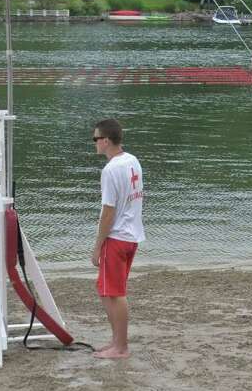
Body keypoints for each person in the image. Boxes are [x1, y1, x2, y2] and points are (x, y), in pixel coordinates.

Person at [90, 118, 144, 359]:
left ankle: (121, 347)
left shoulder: (110, 170)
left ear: (106, 141)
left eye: (96, 139)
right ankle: (116, 341)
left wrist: (97, 245)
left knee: (115, 292)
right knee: (104, 288)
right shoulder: (132, 161)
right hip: (131, 235)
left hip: (117, 237)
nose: (94, 143)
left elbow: (108, 211)